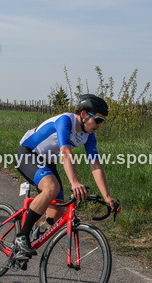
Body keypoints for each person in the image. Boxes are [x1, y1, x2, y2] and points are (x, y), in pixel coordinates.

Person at [12, 94, 121, 259]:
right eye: (98, 120)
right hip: (28, 154)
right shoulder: (65, 121)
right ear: (84, 114)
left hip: (47, 161)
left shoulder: (89, 135)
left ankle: (34, 233)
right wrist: (75, 183)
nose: (99, 125)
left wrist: (107, 196)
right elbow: (65, 152)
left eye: (102, 122)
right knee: (51, 188)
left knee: (58, 211)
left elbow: (95, 164)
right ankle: (22, 236)